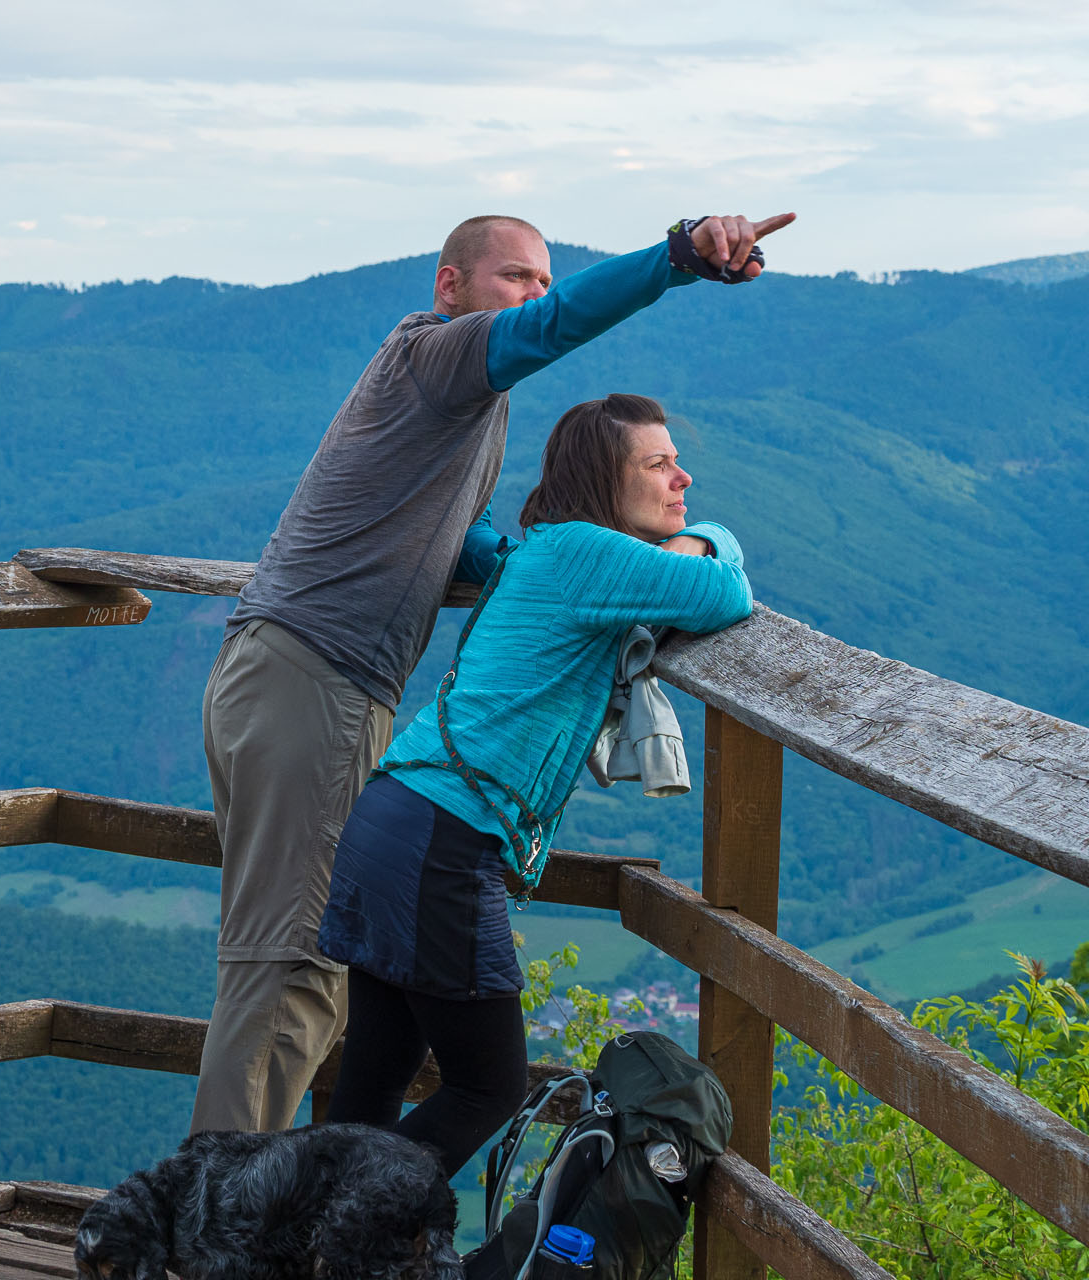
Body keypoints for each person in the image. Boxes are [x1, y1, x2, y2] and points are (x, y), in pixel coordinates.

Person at [191, 210, 792, 1136]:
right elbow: (553, 335)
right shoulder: (437, 360)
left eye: (545, 281)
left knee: (304, 982)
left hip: (283, 670)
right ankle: (218, 1231)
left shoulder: (461, 409)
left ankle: (279, 1217)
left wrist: (532, 575)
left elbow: (441, 537)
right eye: (517, 278)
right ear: (451, 287)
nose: (535, 300)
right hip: (316, 680)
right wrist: (679, 256)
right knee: (289, 979)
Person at [316, 393, 752, 1176]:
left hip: (394, 817)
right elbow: (727, 593)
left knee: (372, 1085)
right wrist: (704, 539)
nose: (682, 477)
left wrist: (682, 537)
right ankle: (314, 1221)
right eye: (658, 465)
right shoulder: (587, 552)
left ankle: (300, 1240)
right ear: (603, 480)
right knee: (489, 1086)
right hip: (443, 841)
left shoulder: (552, 548)